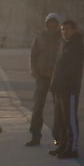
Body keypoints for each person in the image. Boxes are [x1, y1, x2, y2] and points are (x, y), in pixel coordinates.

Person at [50, 19, 84, 159]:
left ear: (74, 30)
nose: (65, 32)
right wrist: (54, 84)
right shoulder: (62, 44)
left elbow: (73, 69)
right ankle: (63, 145)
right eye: (63, 29)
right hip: (58, 88)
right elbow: (57, 66)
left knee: (70, 119)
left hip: (70, 88)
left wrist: (64, 84)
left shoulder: (77, 46)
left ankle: (73, 148)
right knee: (61, 119)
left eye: (68, 29)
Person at [26, 13, 62, 147]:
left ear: (58, 24)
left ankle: (58, 137)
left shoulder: (62, 38)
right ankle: (35, 136)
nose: (52, 25)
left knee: (58, 108)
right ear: (46, 23)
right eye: (49, 23)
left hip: (57, 77)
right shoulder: (39, 37)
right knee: (37, 107)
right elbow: (33, 54)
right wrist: (34, 71)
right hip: (41, 76)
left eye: (54, 23)